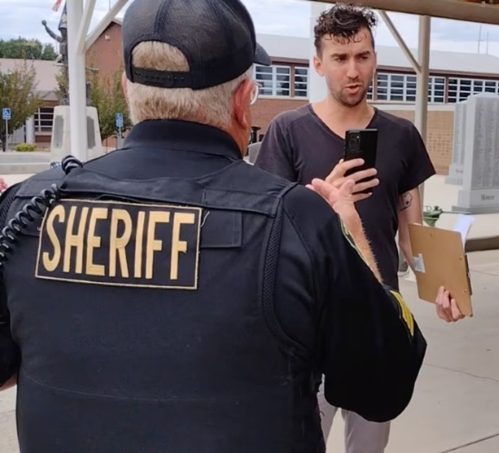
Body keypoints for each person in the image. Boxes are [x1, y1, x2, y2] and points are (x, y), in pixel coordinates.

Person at [0, 0, 426, 451]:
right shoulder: (298, 222)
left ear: (128, 90)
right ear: (244, 102)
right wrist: (352, 232)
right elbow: (385, 383)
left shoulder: (29, 209)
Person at [256, 4, 461, 452]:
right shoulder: (287, 131)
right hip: (310, 320)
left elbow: (412, 232)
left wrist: (443, 284)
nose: (353, 71)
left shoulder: (402, 135)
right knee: (301, 439)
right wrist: (320, 201)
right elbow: (268, 235)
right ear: (318, 63)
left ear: (374, 59)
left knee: (369, 443)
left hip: (376, 316)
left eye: (362, 57)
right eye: (340, 58)